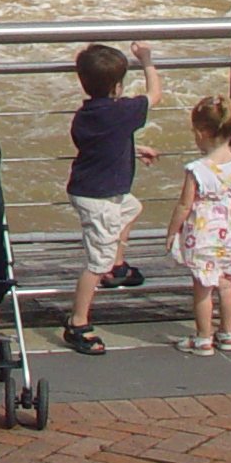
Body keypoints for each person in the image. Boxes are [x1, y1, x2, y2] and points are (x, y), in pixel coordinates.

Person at [59, 40, 162, 356]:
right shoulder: (123, 111)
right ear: (117, 87)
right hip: (100, 198)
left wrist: (131, 148)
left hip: (93, 188)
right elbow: (155, 95)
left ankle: (117, 265)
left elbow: (100, 145)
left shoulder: (85, 115)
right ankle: (77, 322)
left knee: (132, 208)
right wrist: (145, 60)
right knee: (95, 262)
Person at [165, 96, 231, 353]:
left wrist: (172, 232)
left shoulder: (197, 169)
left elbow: (184, 204)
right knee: (227, 283)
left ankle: (204, 337)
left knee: (203, 286)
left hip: (205, 234)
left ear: (201, 133)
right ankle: (227, 333)